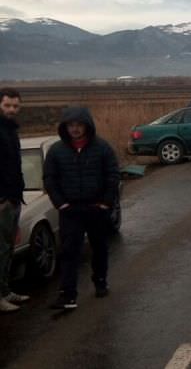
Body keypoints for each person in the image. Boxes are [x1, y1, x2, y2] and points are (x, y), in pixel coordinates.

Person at [44, 107, 120, 310]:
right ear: (65, 127)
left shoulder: (102, 148)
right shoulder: (56, 151)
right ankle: (68, 295)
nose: (75, 129)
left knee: (99, 248)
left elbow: (112, 175)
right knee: (69, 252)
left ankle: (101, 281)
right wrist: (61, 203)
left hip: (96, 208)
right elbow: (50, 179)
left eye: (78, 125)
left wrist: (105, 203)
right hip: (70, 211)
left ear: (86, 125)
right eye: (70, 125)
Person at [0, 88, 29, 313]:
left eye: (15, 106)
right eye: (7, 105)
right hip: (3, 201)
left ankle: (5, 290)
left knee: (8, 248)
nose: (11, 109)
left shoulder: (11, 130)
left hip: (13, 199)